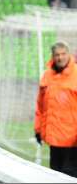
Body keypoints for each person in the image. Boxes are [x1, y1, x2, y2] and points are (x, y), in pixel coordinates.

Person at [35, 41, 77, 177]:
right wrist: (38, 129)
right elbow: (40, 105)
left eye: (63, 54)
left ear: (69, 54)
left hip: (73, 141)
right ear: (53, 56)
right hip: (54, 139)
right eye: (57, 55)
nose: (60, 57)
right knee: (54, 175)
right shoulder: (47, 75)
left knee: (70, 176)